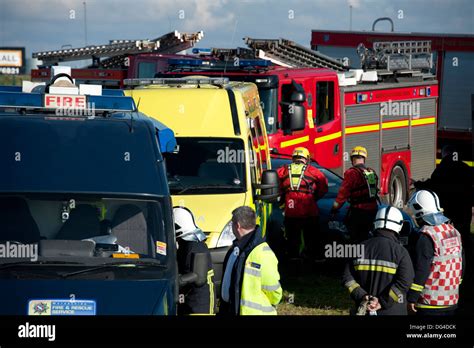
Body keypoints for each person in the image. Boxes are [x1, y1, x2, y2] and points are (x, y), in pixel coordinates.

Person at [342, 206, 414, 315]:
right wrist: (382, 301)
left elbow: (347, 278)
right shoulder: (401, 252)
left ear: (375, 223)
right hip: (393, 311)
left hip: (363, 309)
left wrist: (361, 296)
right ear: (399, 226)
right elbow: (405, 282)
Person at [406, 190, 464, 316]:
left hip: (430, 303)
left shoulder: (426, 236)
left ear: (419, 212)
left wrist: (412, 297)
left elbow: (421, 269)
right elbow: (461, 261)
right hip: (452, 300)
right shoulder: (453, 231)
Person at [414, 145, 472, 269]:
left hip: (449, 210)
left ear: (445, 155)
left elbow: (432, 185)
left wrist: (417, 184)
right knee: (464, 236)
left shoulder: (441, 169)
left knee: (449, 236)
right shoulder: (466, 169)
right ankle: (466, 261)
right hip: (464, 209)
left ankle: (449, 258)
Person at [219, 206, 282, 315]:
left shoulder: (263, 254)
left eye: (232, 224)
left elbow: (275, 295)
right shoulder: (235, 250)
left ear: (237, 225)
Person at [277, 147, 328, 260]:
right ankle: (313, 258)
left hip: (291, 211)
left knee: (292, 238)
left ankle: (293, 259)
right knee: (312, 237)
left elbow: (273, 181)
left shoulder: (284, 169)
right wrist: (314, 197)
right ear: (306, 158)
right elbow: (324, 186)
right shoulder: (312, 170)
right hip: (309, 210)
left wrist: (282, 197)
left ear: (293, 158)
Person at [331, 146, 379, 243]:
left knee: (355, 238)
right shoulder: (371, 172)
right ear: (364, 159)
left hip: (359, 211)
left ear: (352, 159)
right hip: (373, 210)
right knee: (367, 237)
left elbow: (342, 194)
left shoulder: (351, 173)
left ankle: (356, 256)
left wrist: (334, 208)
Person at [174, 207, 216, 315]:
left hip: (199, 306)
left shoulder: (196, 246)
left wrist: (174, 282)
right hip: (189, 302)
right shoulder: (185, 244)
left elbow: (198, 276)